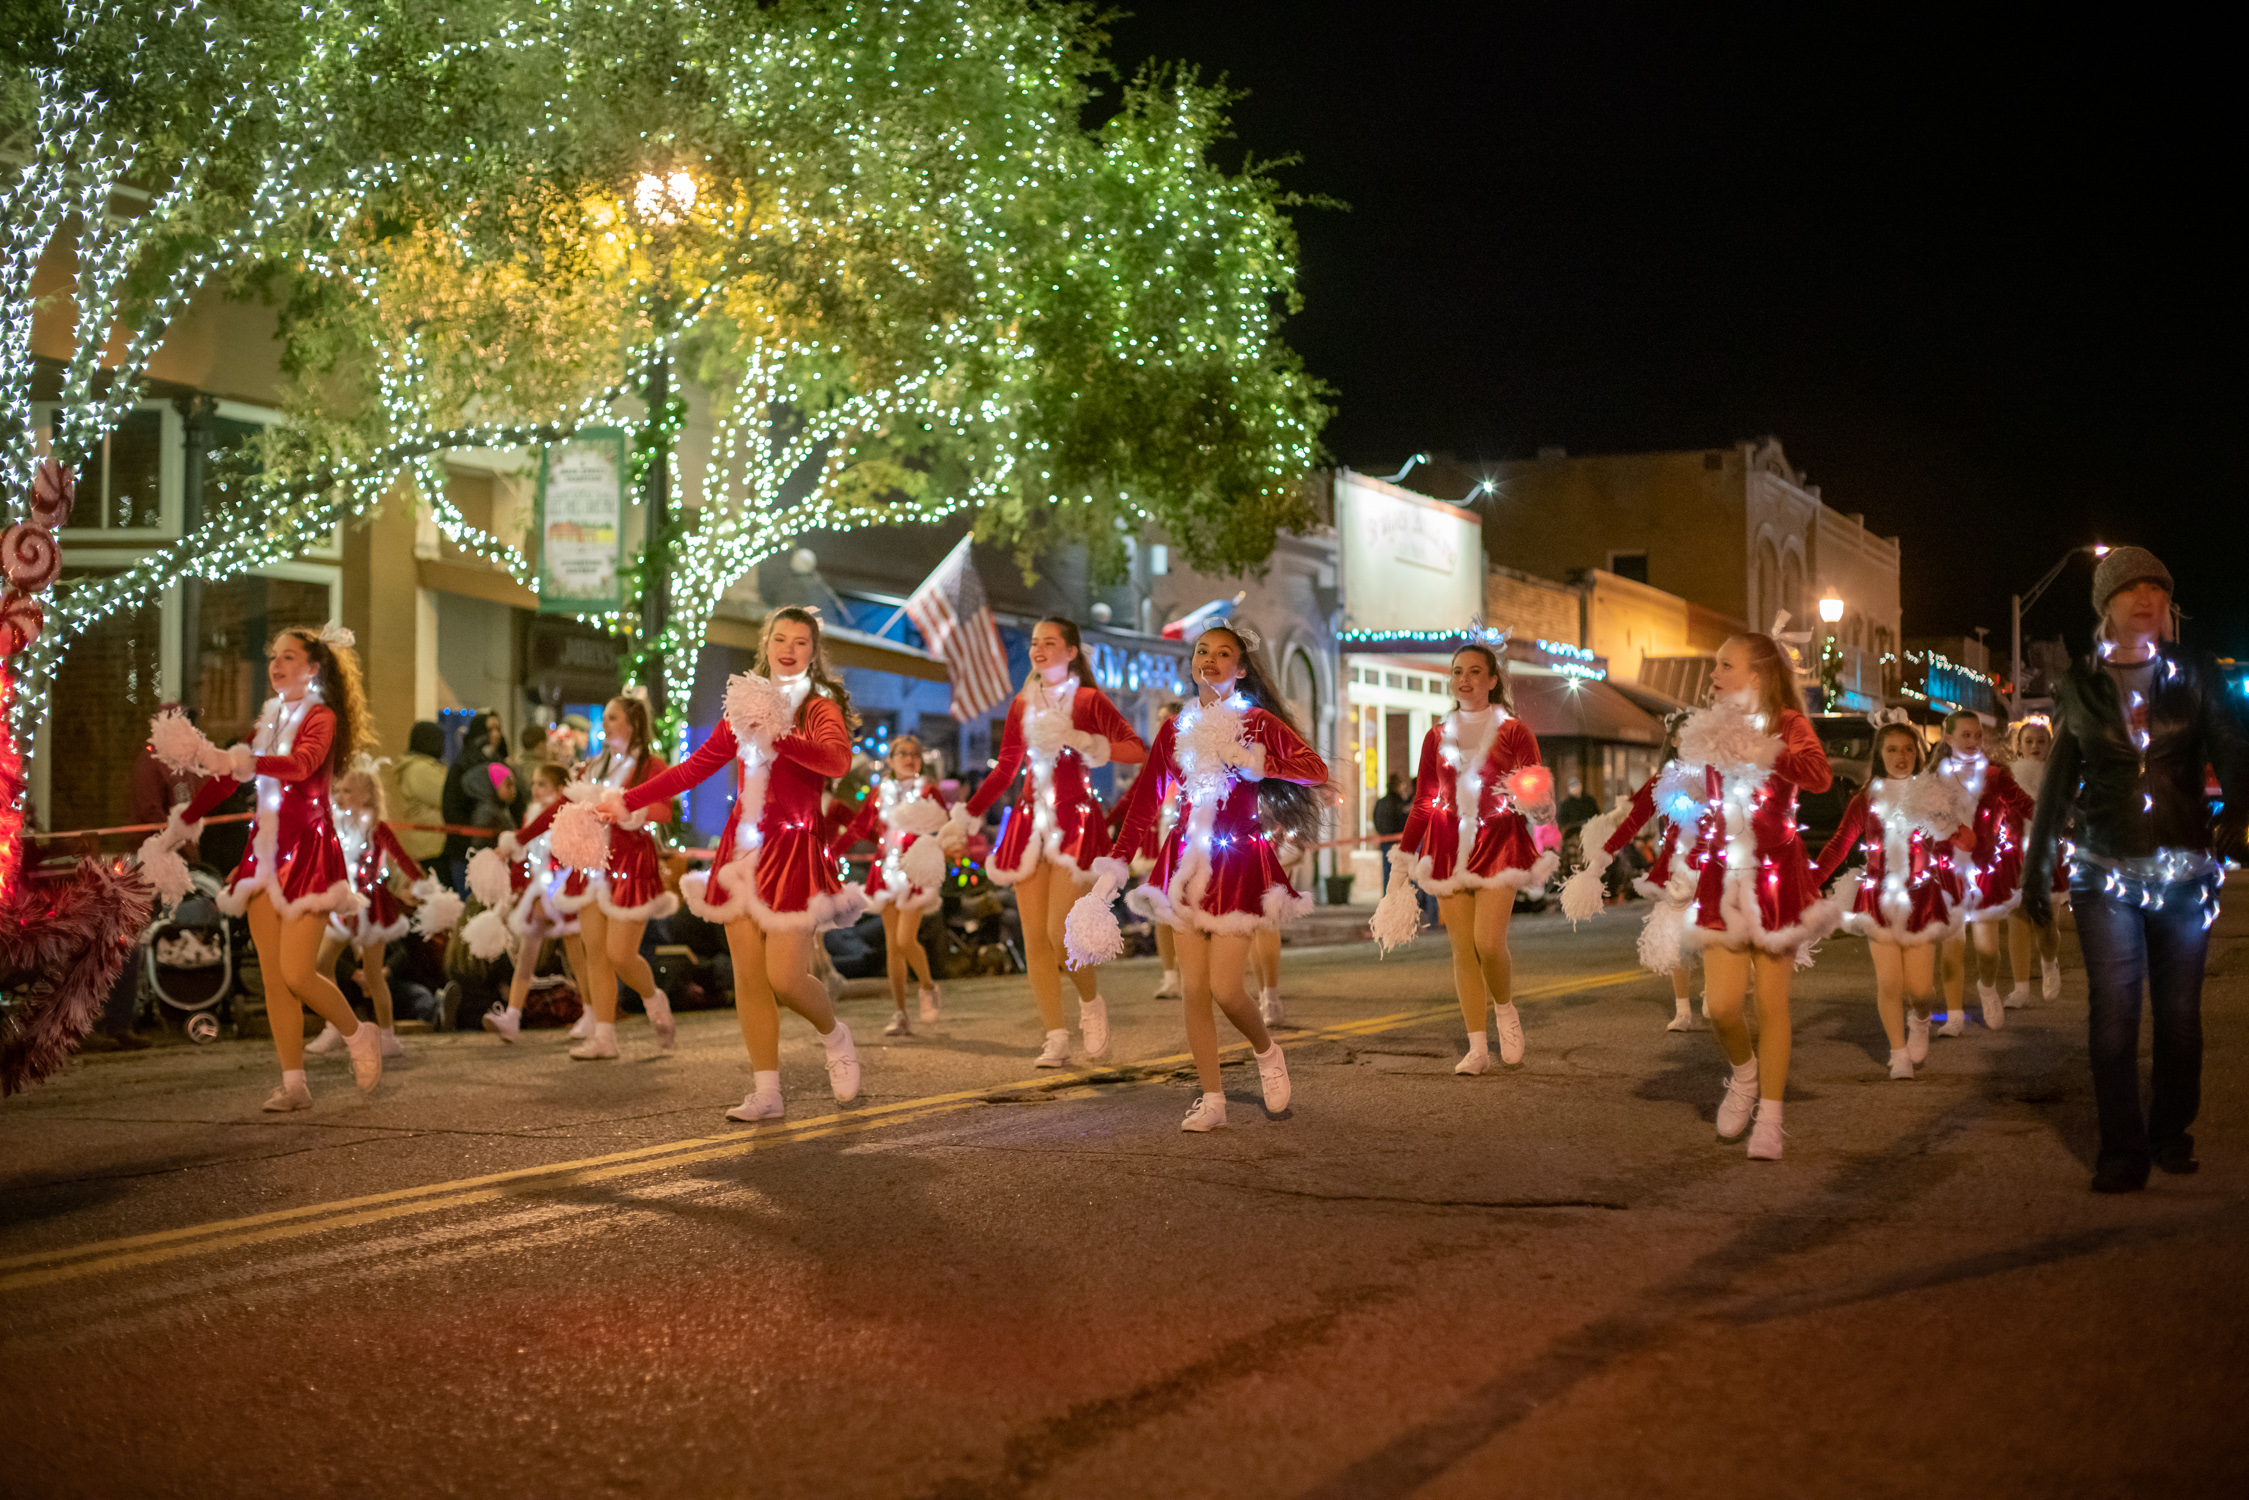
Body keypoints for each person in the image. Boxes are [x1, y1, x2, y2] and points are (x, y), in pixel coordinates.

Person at [2023, 547, 2249, 1193]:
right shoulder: (2080, 684)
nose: (2144, 598)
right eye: (2129, 590)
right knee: (2115, 1011)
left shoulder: (2195, 674)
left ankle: (2170, 1131)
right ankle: (2120, 1148)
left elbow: (2232, 748)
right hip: (2103, 870)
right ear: (2105, 606)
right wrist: (2035, 869)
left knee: (2178, 1015)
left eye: (2155, 588)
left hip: (2182, 870)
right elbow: (2058, 782)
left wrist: (2237, 805)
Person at [600, 606, 863, 1120]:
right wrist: (626, 800)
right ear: (766, 644)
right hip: (742, 850)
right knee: (748, 976)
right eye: (780, 639)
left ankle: (836, 1037)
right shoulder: (743, 703)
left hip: (793, 850)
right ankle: (767, 1091)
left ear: (813, 652)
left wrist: (779, 734)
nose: (788, 648)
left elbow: (837, 761)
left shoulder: (819, 704)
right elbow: (694, 767)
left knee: (786, 978)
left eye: (801, 642)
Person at [154, 625, 384, 1110]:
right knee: (275, 978)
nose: (277, 665)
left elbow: (301, 766)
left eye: (289, 656)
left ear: (313, 668)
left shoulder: (321, 718)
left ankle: (358, 1033)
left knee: (299, 973)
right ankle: (294, 1083)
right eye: (274, 656)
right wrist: (186, 821)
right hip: (263, 856)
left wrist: (242, 759)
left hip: (310, 855)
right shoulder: (269, 719)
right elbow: (223, 777)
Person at [1111, 621, 1328, 1132]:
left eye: (1222, 653)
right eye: (1202, 651)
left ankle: (1267, 1051)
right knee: (1193, 990)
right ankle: (1213, 1099)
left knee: (1228, 990)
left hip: (1238, 865)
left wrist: (1259, 763)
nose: (1209, 659)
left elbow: (1314, 768)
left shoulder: (1256, 722)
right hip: (1185, 865)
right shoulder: (1175, 728)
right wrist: (1115, 865)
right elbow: (1144, 802)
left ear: (1241, 667)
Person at [1676, 633, 1842, 1160]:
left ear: (1759, 674)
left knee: (1772, 1003)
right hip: (1722, 876)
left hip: (1777, 878)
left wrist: (1769, 750)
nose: (1714, 673)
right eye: (1715, 663)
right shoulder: (1711, 725)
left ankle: (1770, 1117)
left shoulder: (1789, 723)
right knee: (1721, 1008)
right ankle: (1744, 1077)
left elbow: (1819, 775)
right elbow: (1694, 793)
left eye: (1726, 664)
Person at [962, 616, 1147, 1067]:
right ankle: (1055, 1036)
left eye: (1050, 643)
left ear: (1071, 652)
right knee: (1034, 939)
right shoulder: (1021, 705)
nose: (1039, 650)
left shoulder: (1087, 699)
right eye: (1034, 643)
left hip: (1074, 823)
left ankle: (1090, 1005)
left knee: (1059, 931)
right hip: (1028, 826)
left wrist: (1086, 740)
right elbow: (1006, 769)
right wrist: (966, 815)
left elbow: (1135, 749)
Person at [1391, 642, 1557, 1075]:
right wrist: (1404, 858)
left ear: (1492, 680)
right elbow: (1425, 801)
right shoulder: (1435, 735)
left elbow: (1536, 787)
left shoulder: (1514, 731)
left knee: (1488, 942)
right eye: (1457, 671)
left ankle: (1505, 1011)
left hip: (1499, 842)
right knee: (1463, 949)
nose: (1464, 679)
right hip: (1447, 847)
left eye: (1474, 672)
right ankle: (1477, 1047)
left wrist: (1533, 798)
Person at [516, 696, 678, 1060]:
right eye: (604, 717)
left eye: (612, 717)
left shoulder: (651, 765)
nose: (605, 723)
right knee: (596, 956)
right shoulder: (593, 766)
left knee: (621, 954)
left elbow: (665, 809)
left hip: (631, 866)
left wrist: (627, 806)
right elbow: (561, 807)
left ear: (633, 723)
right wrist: (519, 838)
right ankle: (605, 1037)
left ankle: (654, 998)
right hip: (591, 866)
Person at [1811, 721, 1976, 1079]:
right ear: (1879, 756)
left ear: (1917, 753)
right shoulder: (1866, 797)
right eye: (1891, 750)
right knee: (1889, 983)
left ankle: (1920, 1020)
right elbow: (1840, 843)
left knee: (1921, 990)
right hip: (1877, 899)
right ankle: (1898, 1053)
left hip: (1922, 899)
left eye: (1907, 749)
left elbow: (1963, 840)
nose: (1900, 757)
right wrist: (1811, 880)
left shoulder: (1931, 793)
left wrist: (1957, 829)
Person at [1562, 711, 1711, 1032]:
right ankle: (1683, 1010)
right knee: (1676, 939)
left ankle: (1715, 992)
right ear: (1672, 739)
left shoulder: (1715, 776)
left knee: (1712, 935)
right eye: (1683, 733)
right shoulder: (1664, 780)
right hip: (1675, 869)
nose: (1690, 739)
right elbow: (1633, 820)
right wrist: (1604, 855)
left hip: (1715, 865)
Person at [306, 757, 445, 1060]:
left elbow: (402, 858)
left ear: (367, 795)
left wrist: (420, 884)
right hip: (344, 903)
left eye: (347, 791)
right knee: (321, 964)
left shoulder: (378, 828)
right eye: (338, 791)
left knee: (373, 974)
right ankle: (335, 1026)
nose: (339, 796)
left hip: (372, 907)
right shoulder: (335, 825)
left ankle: (387, 1036)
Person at [831, 735, 959, 1036]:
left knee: (904, 940)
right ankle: (901, 1013)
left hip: (915, 872)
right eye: (902, 753)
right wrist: (831, 851)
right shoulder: (880, 792)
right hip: (885, 871)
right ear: (890, 760)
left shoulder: (928, 791)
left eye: (914, 753)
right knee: (892, 946)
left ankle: (927, 986)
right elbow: (859, 827)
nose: (909, 758)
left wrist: (947, 848)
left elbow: (945, 827)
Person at [1934, 709, 2035, 1035]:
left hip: (1985, 872)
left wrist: (2056, 818)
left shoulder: (1994, 775)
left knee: (1988, 949)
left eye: (1978, 735)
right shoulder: (1935, 779)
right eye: (1966, 735)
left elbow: (2024, 802)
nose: (1974, 741)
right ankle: (1953, 1014)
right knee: (1953, 946)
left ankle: (1987, 987)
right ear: (1948, 738)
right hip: (1948, 871)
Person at [481, 762, 591, 1042]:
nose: (534, 788)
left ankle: (592, 1011)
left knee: (576, 953)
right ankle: (513, 1015)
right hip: (540, 891)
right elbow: (527, 857)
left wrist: (551, 888)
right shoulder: (532, 814)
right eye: (533, 783)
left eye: (541, 783)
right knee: (527, 953)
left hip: (564, 889)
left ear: (558, 789)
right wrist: (521, 887)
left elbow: (566, 855)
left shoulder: (566, 814)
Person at [2004, 716, 2066, 1006]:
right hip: (2015, 850)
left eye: (2041, 741)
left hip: (2048, 850)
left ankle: (2049, 960)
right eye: (2028, 741)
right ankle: (2020, 987)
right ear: (2018, 746)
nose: (2035, 746)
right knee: (2017, 915)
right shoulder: (2009, 775)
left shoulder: (2059, 774)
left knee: (2046, 919)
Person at [388, 720, 448, 869]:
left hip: (427, 844)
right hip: (428, 847)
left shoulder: (421, 766)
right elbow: (446, 797)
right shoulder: (420, 769)